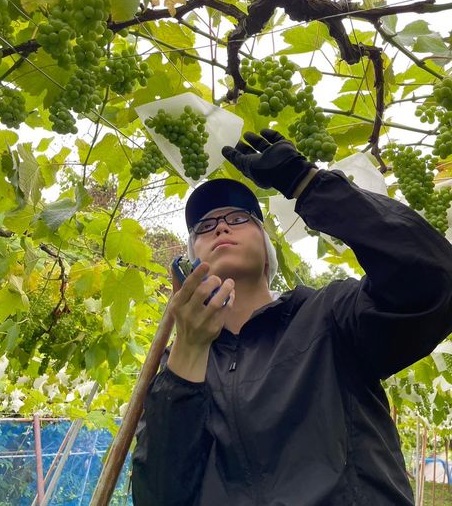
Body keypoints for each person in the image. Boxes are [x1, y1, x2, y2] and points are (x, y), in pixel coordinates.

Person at [131, 129, 452, 505]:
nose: (219, 226)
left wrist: (308, 184)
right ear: (193, 260)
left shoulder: (329, 315)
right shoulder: (178, 367)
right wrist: (188, 350)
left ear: (268, 253)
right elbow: (160, 495)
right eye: (204, 226)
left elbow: (432, 282)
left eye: (238, 218)